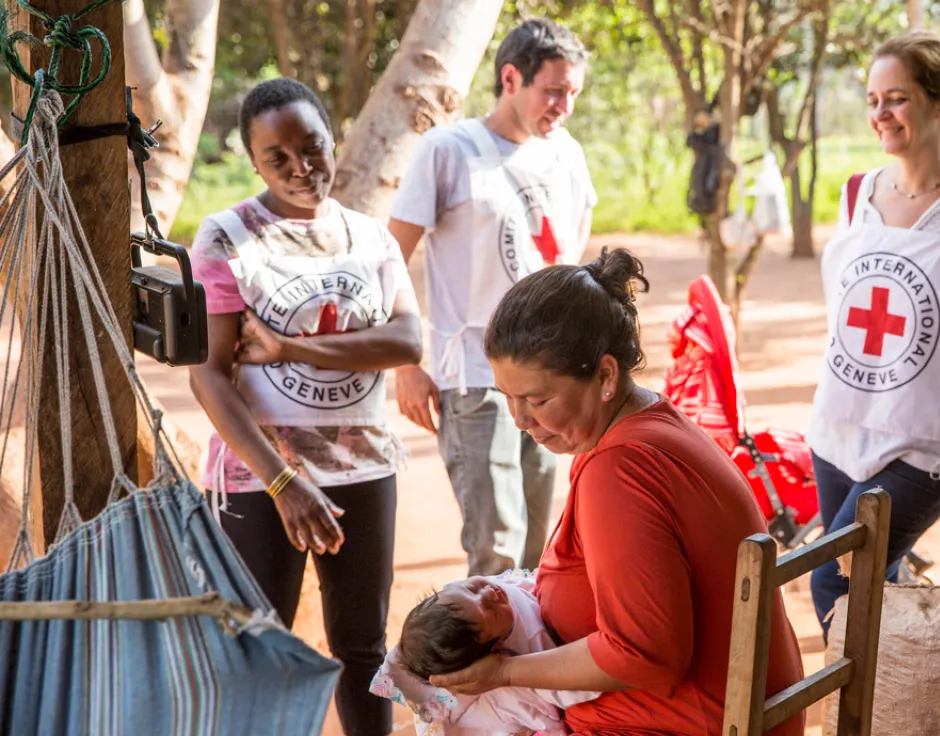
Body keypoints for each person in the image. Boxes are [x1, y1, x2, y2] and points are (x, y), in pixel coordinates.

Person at [426, 249, 805, 736]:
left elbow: (644, 657)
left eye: (537, 400)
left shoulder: (620, 468)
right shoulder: (643, 427)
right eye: (509, 399)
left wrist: (501, 673)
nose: (520, 421)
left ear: (605, 376)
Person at [188, 77, 422, 735]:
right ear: (255, 162)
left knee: (363, 648)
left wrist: (290, 345)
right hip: (260, 477)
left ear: (332, 136)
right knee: (260, 648)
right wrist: (284, 482)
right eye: (278, 158)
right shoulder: (228, 238)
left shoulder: (369, 238)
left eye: (311, 147)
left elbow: (408, 338)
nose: (301, 168)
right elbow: (209, 376)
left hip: (363, 467)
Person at [807, 31, 940, 635]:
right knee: (881, 578)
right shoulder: (858, 194)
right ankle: (893, 707)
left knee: (835, 575)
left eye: (896, 98)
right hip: (841, 428)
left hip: (923, 446)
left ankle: (853, 716)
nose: (880, 115)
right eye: (873, 100)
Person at [388, 18, 598, 578]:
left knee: (540, 553)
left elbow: (570, 267)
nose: (564, 106)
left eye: (573, 93)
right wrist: (406, 363)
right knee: (497, 546)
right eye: (553, 91)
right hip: (476, 380)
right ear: (511, 78)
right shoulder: (449, 150)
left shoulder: (567, 156)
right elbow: (391, 256)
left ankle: (530, 665)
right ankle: (487, 667)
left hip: (552, 381)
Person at [370, 571, 600, 736]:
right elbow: (577, 686)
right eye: (490, 610)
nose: (488, 592)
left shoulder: (472, 600)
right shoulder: (530, 648)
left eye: (471, 589)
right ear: (496, 648)